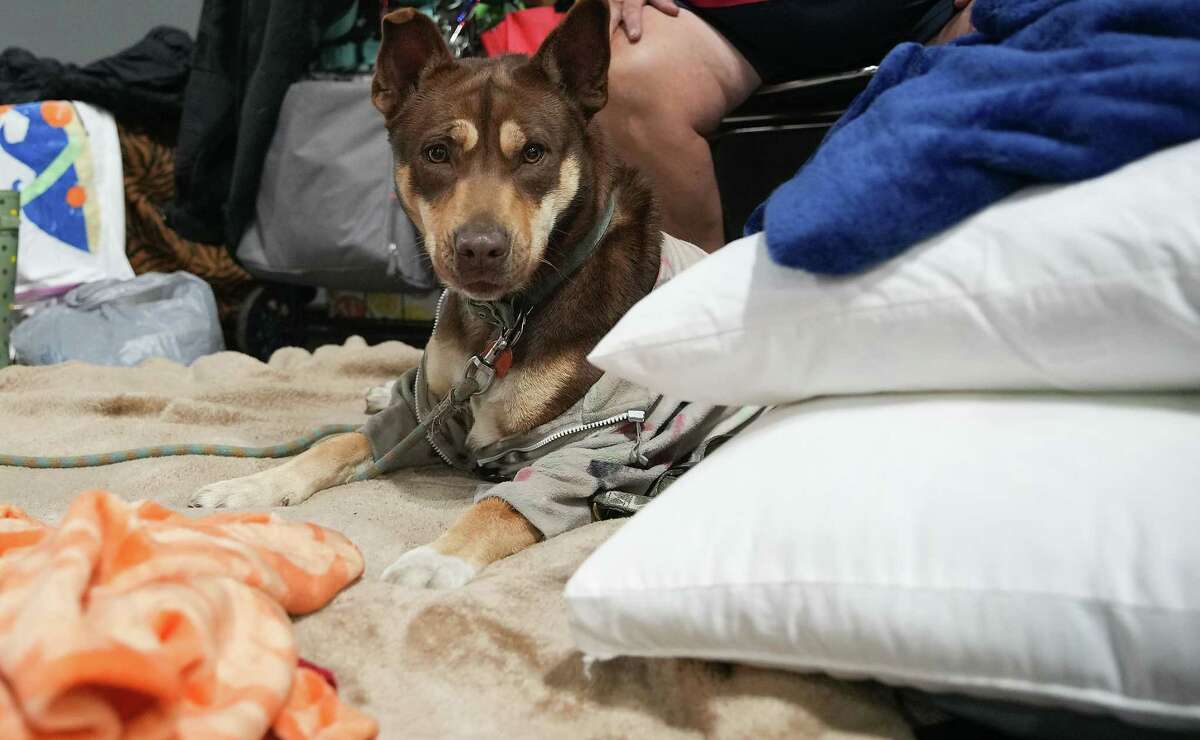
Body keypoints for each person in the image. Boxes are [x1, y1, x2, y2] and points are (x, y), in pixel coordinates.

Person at [597, 0, 976, 252]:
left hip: (930, 12)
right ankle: (703, 313)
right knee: (627, 81)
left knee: (1021, 20)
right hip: (732, 20)